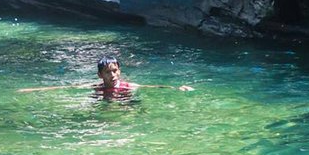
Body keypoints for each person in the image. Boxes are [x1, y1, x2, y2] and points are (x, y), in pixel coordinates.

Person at [18, 55, 193, 99]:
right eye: (108, 72)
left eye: (115, 71)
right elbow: (68, 88)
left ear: (119, 71)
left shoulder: (128, 86)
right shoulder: (97, 87)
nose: (113, 75)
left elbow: (152, 87)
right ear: (100, 75)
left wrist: (177, 88)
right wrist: (33, 90)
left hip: (125, 103)